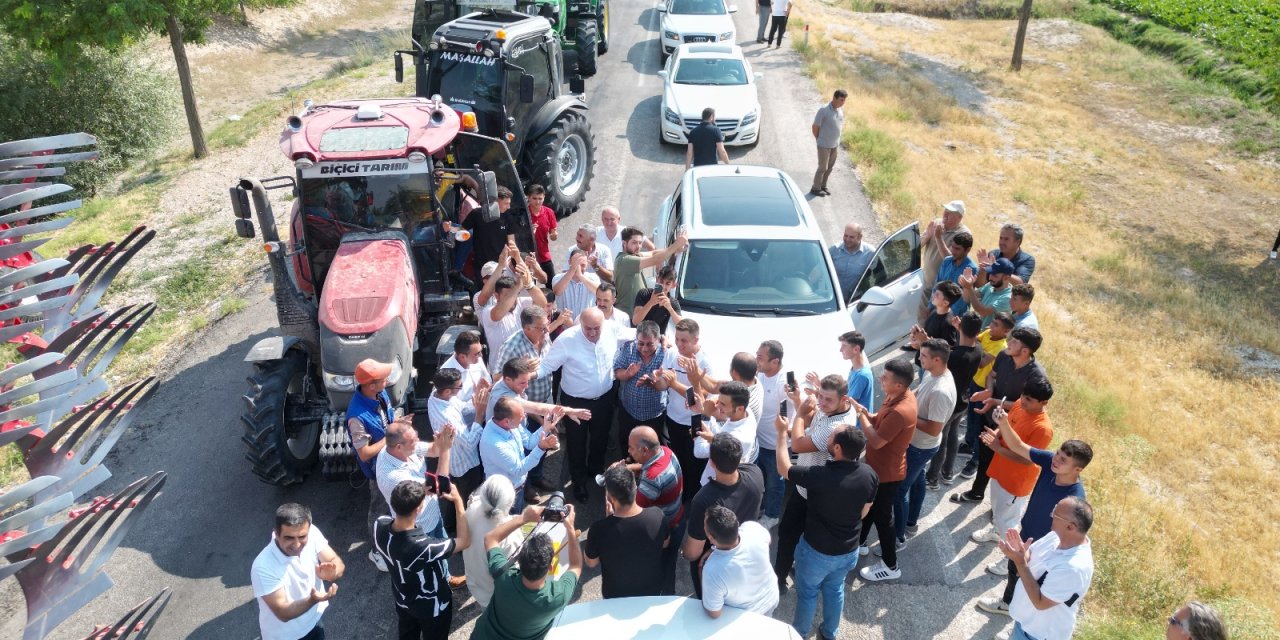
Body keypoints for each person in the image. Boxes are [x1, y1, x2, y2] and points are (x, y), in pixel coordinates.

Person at [976, 412, 1091, 619]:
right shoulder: (1049, 463)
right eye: (1057, 453)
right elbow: (1019, 446)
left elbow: (1071, 534)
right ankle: (1008, 605)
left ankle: (1021, 619)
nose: (1056, 460)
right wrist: (1003, 423)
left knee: (1032, 585)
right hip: (1026, 534)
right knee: (1014, 572)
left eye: (1063, 460)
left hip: (1044, 549)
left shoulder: (1075, 500)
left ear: (1078, 469)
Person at [775, 424, 877, 640]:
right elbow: (864, 512)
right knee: (835, 589)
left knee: (808, 594)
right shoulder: (869, 474)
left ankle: (799, 634)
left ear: (838, 448)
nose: (827, 438)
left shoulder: (819, 475)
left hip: (816, 553)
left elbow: (784, 468)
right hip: (848, 552)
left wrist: (781, 434)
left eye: (830, 437)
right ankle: (830, 633)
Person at [775, 374, 858, 594]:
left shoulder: (837, 427)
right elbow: (815, 419)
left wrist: (798, 415)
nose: (821, 403)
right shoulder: (835, 408)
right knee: (792, 534)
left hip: (814, 490)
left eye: (827, 399)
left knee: (792, 534)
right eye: (819, 396)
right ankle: (786, 573)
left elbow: (799, 446)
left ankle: (782, 578)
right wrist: (797, 401)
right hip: (809, 488)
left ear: (843, 398)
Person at [953, 327, 1047, 505]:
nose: (1008, 343)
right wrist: (989, 390)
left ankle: (1002, 507)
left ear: (1025, 351)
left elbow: (1026, 406)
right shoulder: (1004, 356)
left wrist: (995, 401)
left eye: (1014, 342)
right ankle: (977, 492)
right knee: (985, 455)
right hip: (990, 415)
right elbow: (992, 375)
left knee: (1005, 464)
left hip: (1013, 426)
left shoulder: (1036, 376)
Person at [970, 378, 1055, 572]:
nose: (1023, 402)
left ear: (1044, 403)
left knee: (1009, 524)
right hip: (1000, 471)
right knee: (998, 512)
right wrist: (997, 432)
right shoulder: (1019, 404)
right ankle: (995, 530)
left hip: (1016, 482)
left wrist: (997, 447)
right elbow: (1008, 425)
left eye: (1029, 400)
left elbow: (1028, 460)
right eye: (1024, 396)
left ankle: (1012, 561)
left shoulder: (1043, 429)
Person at [373, 480, 469, 640]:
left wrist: (418, 493)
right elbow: (464, 541)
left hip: (402, 599)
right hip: (432, 607)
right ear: (418, 509)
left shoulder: (379, 525)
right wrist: (459, 501)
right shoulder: (423, 547)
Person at [537, 307, 616, 502]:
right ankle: (578, 481)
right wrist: (524, 376)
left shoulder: (613, 329)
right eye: (587, 328)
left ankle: (596, 470)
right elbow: (547, 366)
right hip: (575, 403)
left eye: (596, 328)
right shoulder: (566, 340)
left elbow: (637, 333)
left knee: (600, 438)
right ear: (580, 324)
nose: (592, 333)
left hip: (604, 400)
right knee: (576, 443)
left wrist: (664, 341)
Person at [470, 504, 582, 640]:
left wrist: (524, 518)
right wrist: (570, 528)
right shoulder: (558, 596)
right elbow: (576, 566)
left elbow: (490, 539)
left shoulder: (503, 576)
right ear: (551, 567)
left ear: (520, 563)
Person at [486, 357, 584, 504]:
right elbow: (536, 408)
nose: (526, 387)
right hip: (506, 488)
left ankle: (531, 482)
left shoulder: (515, 423)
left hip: (516, 432)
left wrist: (544, 425)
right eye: (522, 383)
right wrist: (569, 410)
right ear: (507, 379)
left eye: (527, 381)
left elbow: (530, 440)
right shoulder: (505, 398)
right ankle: (526, 488)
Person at [996, 497, 1094, 640]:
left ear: (1070, 526)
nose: (1051, 514)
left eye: (1055, 513)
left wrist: (1020, 563)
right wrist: (1021, 551)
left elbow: (1040, 603)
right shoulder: (1055, 537)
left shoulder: (1073, 568)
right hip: (1025, 623)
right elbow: (1030, 558)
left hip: (1038, 635)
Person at [854, 358, 917, 582]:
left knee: (883, 519)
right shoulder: (896, 397)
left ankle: (891, 565)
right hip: (878, 468)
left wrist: (861, 416)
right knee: (869, 509)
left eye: (885, 378)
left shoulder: (901, 410)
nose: (881, 379)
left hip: (887, 474)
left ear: (899, 385)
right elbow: (880, 420)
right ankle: (859, 543)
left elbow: (878, 440)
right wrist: (866, 413)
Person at [683, 434, 764, 597]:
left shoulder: (703, 500)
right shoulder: (755, 474)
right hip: (743, 552)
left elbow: (693, 552)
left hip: (714, 564)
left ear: (711, 462)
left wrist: (684, 552)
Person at [893, 339, 956, 549]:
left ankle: (898, 537)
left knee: (899, 490)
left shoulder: (941, 391)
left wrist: (906, 416)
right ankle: (910, 522)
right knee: (918, 480)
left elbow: (934, 428)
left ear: (937, 359)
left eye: (924, 356)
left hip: (921, 447)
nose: (919, 358)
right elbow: (918, 392)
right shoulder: (934, 373)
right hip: (918, 444)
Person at [251, 503, 344, 640]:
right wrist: (312, 600)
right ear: (276, 533)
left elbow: (335, 561)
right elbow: (283, 612)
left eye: (302, 537)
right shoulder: (262, 567)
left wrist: (333, 573)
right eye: (289, 538)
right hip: (287, 636)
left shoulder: (311, 532)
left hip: (313, 621)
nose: (297, 544)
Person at [654, 318, 719, 502]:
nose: (679, 344)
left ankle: (692, 498)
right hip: (674, 417)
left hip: (694, 421)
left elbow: (701, 397)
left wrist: (674, 384)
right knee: (678, 460)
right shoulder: (671, 354)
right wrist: (656, 380)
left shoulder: (705, 361)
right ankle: (679, 493)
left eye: (684, 341)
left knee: (694, 463)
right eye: (677, 339)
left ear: (696, 340)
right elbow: (663, 385)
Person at [616, 425, 685, 594]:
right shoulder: (665, 451)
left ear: (645, 450)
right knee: (669, 568)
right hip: (678, 518)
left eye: (631, 448)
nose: (629, 451)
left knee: (656, 571)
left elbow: (634, 511)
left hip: (663, 531)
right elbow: (646, 467)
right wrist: (627, 468)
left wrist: (612, 492)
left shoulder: (652, 479)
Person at [584, 465, 668, 598]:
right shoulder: (658, 515)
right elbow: (665, 544)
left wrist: (609, 521)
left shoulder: (599, 529)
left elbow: (591, 562)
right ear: (635, 488)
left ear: (610, 498)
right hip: (651, 593)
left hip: (615, 597)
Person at [344, 358, 395, 572]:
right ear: (371, 384)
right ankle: (376, 550)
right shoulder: (356, 417)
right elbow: (364, 454)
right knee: (379, 508)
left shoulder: (380, 394)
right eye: (384, 379)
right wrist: (393, 436)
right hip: (377, 470)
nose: (388, 380)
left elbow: (388, 421)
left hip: (392, 459)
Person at [927, 312, 985, 488]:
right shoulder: (978, 350)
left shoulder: (956, 357)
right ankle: (948, 472)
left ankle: (932, 478)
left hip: (950, 404)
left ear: (961, 328)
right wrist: (960, 328)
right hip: (963, 401)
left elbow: (936, 358)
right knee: (952, 436)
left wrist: (925, 340)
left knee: (941, 439)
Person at [378, 418, 454, 544]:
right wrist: (445, 449)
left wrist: (442, 442)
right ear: (399, 447)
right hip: (422, 528)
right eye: (413, 440)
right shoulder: (395, 477)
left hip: (432, 515)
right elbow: (438, 487)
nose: (418, 441)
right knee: (438, 562)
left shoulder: (400, 448)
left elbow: (432, 450)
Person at [479, 396, 559, 510]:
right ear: (506, 421)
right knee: (509, 524)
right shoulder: (494, 444)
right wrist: (541, 447)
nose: (524, 418)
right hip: (504, 496)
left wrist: (545, 427)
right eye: (520, 416)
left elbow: (529, 442)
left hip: (517, 487)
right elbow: (519, 469)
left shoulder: (508, 425)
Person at [425, 368, 488, 513]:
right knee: (468, 504)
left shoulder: (436, 395)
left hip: (454, 463)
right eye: (459, 387)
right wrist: (479, 414)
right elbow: (470, 443)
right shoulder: (447, 418)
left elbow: (462, 408)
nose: (461, 389)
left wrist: (477, 397)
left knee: (455, 500)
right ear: (447, 391)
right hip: (465, 466)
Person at [960, 312, 1014, 478]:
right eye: (993, 322)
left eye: (996, 325)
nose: (991, 325)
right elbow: (976, 343)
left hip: (984, 388)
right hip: (974, 381)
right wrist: (978, 345)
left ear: (1006, 332)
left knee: (979, 423)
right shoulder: (988, 334)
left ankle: (975, 460)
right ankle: (968, 444)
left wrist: (975, 344)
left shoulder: (1001, 348)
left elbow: (981, 361)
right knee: (970, 416)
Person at [699, 505, 779, 618]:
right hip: (770, 599)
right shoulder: (752, 528)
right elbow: (768, 540)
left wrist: (701, 571)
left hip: (746, 617)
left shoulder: (712, 569)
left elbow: (714, 613)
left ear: (711, 538)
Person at [462, 475, 526, 609]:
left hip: (474, 580)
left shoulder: (471, 508)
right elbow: (513, 575)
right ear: (510, 503)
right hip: (494, 595)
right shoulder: (510, 535)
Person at [477, 257, 549, 372]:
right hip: (502, 371)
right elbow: (498, 315)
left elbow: (542, 303)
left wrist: (529, 284)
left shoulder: (522, 302)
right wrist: (516, 288)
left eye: (514, 294)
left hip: (527, 367)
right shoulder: (489, 311)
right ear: (496, 296)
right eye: (507, 295)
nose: (512, 298)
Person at [754, 340, 791, 530]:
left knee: (775, 484)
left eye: (760, 357)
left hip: (775, 446)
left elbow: (787, 416)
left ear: (775, 362)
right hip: (758, 441)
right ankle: (759, 508)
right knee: (759, 479)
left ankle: (772, 515)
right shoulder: (760, 372)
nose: (756, 360)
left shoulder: (784, 384)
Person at [614, 321, 667, 451]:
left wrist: (653, 381)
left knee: (650, 449)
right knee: (627, 445)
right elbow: (617, 372)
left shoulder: (666, 354)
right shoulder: (629, 348)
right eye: (641, 343)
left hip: (654, 414)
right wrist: (627, 374)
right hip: (628, 411)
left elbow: (667, 384)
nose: (644, 348)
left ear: (658, 340)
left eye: (650, 344)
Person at [693, 381, 758, 486]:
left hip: (716, 484)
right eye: (718, 401)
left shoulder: (737, 437)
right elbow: (721, 432)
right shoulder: (746, 412)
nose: (717, 406)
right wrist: (702, 411)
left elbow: (699, 452)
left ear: (739, 408)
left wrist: (704, 416)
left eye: (722, 404)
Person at [614, 226, 687, 317]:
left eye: (640, 243)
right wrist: (676, 244)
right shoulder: (625, 260)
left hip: (636, 314)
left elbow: (653, 253)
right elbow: (655, 259)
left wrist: (676, 249)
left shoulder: (634, 255)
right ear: (624, 243)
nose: (638, 246)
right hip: (627, 315)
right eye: (634, 243)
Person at [919, 200, 972, 323]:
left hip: (943, 289)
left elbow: (953, 259)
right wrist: (928, 235)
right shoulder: (937, 224)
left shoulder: (963, 234)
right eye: (945, 210)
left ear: (959, 217)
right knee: (922, 317)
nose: (945, 214)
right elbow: (918, 245)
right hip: (927, 282)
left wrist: (938, 237)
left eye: (950, 213)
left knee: (937, 320)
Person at [460, 186, 519, 276]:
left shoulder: (508, 217)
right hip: (481, 264)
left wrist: (515, 261)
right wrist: (448, 227)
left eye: (509, 203)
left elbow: (511, 243)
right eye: (506, 203)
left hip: (500, 264)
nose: (509, 207)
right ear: (496, 202)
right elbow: (461, 230)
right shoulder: (477, 214)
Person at [440, 330, 490, 424]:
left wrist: (486, 390)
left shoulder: (477, 359)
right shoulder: (446, 374)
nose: (481, 355)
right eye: (477, 354)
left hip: (485, 419)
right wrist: (477, 401)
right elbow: (452, 409)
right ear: (462, 357)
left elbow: (488, 381)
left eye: (481, 351)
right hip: (466, 428)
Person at [811, 89, 847, 197]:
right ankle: (815, 188)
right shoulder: (824, 110)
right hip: (824, 144)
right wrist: (818, 138)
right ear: (834, 98)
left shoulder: (840, 110)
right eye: (841, 100)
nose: (842, 102)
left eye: (844, 100)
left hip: (834, 145)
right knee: (822, 167)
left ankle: (823, 186)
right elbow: (815, 126)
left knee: (830, 167)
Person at [961, 257, 1015, 330]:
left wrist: (970, 288)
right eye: (990, 273)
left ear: (1006, 277)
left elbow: (982, 311)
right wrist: (966, 285)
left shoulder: (1008, 298)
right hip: (975, 333)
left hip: (989, 339)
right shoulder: (991, 284)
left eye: (995, 275)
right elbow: (967, 298)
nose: (990, 278)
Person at [551, 249, 601, 321]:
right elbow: (557, 291)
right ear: (569, 262)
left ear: (587, 264)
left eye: (583, 265)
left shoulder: (593, 278)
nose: (579, 268)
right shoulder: (558, 278)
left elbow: (599, 292)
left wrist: (580, 276)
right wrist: (572, 270)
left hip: (587, 324)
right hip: (564, 325)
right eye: (576, 265)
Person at [631, 265, 684, 333]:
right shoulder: (644, 294)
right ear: (657, 279)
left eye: (667, 283)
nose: (664, 286)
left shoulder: (673, 302)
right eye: (661, 282)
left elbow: (682, 326)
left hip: (657, 340)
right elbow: (635, 321)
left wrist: (670, 308)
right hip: (640, 338)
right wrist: (650, 303)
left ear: (673, 285)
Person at [829, 222, 873, 301]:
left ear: (860, 237)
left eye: (851, 237)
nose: (847, 239)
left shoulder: (870, 253)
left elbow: (879, 275)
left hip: (855, 301)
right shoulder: (834, 250)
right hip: (833, 298)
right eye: (845, 236)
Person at [937, 230, 978, 316]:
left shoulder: (971, 269)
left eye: (957, 249)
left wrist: (949, 313)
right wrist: (931, 306)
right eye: (952, 247)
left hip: (955, 317)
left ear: (967, 250)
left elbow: (964, 298)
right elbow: (937, 284)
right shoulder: (947, 261)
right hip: (938, 310)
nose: (953, 251)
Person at [526, 184, 558, 279]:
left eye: (540, 198)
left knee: (551, 281)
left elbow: (553, 236)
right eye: (534, 198)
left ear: (544, 197)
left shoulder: (549, 212)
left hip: (544, 254)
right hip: (528, 256)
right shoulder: (523, 214)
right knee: (529, 284)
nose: (538, 201)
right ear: (528, 198)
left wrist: (554, 235)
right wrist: (528, 230)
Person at [839, 330, 876, 411]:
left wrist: (819, 393)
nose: (840, 350)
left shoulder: (861, 375)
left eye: (844, 346)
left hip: (857, 422)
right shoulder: (855, 369)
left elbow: (848, 404)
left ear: (856, 349)